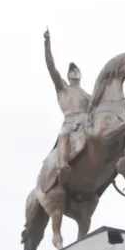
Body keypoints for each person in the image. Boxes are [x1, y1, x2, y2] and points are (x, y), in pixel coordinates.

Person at [44, 29, 91, 185]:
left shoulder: (87, 95)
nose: (75, 72)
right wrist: (47, 44)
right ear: (69, 75)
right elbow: (51, 67)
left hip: (86, 121)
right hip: (70, 121)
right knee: (65, 133)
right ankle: (63, 164)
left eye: (77, 70)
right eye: (72, 71)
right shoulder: (63, 87)